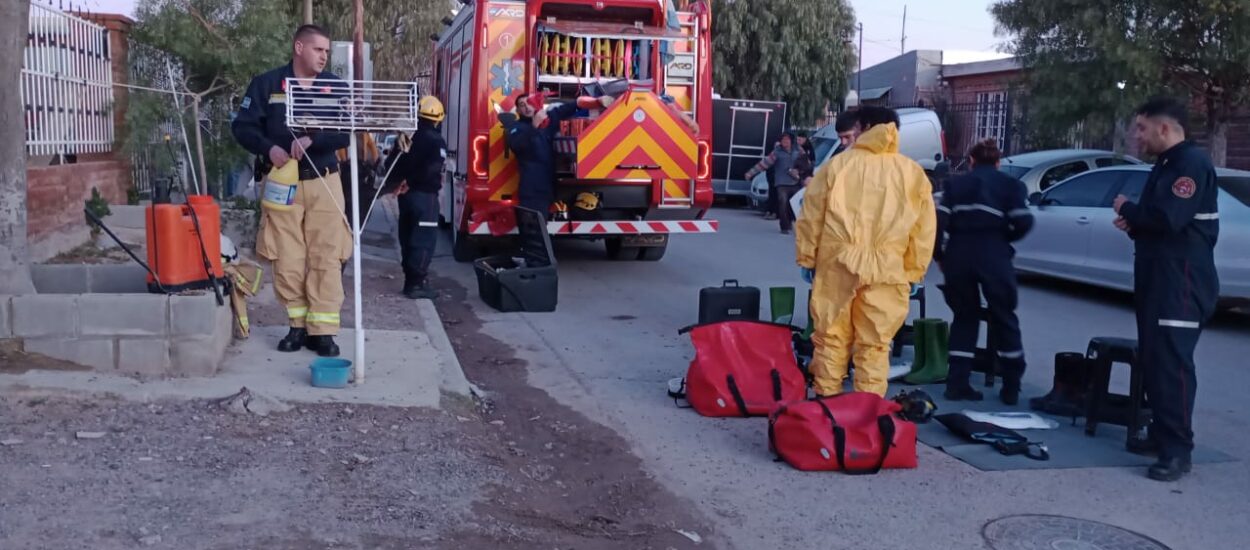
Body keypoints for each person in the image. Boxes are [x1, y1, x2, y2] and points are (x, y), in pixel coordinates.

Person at [1112, 97, 1219, 482]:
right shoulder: (1167, 164)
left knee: (1172, 366)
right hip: (1159, 276)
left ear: (1165, 128)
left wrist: (1127, 209)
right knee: (1155, 362)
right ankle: (1161, 433)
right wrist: (1136, 225)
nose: (1137, 136)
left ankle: (1177, 451)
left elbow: (1169, 219)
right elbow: (1158, 224)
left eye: (1141, 128)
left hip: (1181, 281)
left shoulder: (1190, 164)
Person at [795, 106, 936, 397]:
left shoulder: (837, 167)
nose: (849, 138)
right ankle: (868, 414)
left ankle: (827, 408)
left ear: (867, 126)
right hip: (888, 268)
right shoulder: (912, 173)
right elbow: (923, 231)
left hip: (839, 263)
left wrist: (808, 257)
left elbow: (811, 216)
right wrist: (913, 271)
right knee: (875, 345)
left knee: (832, 337)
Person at [232, 24, 351, 357]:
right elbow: (242, 126)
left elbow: (346, 131)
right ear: (299, 47)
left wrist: (316, 139)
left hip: (324, 181)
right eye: (318, 50)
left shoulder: (334, 86)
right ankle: (297, 326)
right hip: (282, 182)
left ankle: (323, 332)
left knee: (327, 255)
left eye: (327, 51)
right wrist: (269, 148)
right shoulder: (267, 84)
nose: (324, 56)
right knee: (287, 256)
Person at [934, 138, 1034, 404]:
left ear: (971, 161)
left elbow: (938, 222)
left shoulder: (955, 185)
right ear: (998, 163)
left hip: (958, 254)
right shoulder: (1011, 186)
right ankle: (1011, 387)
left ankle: (957, 384)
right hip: (994, 255)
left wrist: (940, 256)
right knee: (1004, 317)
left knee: (965, 317)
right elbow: (1024, 221)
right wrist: (1004, 238)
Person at [499, 91, 613, 214]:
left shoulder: (548, 120)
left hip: (550, 188)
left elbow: (571, 106)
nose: (527, 107)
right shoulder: (515, 128)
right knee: (534, 229)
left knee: (544, 227)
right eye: (522, 105)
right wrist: (534, 125)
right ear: (518, 111)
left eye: (529, 102)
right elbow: (518, 145)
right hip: (531, 192)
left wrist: (598, 101)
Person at [383, 96, 448, 300]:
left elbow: (391, 164)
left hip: (406, 197)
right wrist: (411, 181)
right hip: (425, 196)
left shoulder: (408, 138)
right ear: (438, 118)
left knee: (408, 237)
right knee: (423, 240)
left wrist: (399, 183)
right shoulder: (436, 141)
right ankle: (417, 284)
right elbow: (433, 169)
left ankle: (410, 280)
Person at [745, 132, 809, 233]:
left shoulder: (798, 150)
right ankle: (784, 226)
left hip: (795, 182)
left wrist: (800, 171)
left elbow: (806, 164)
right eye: (783, 140)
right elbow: (764, 163)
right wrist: (750, 173)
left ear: (791, 140)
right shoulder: (777, 152)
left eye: (787, 140)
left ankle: (792, 222)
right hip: (781, 183)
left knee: (794, 205)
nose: (785, 142)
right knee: (782, 203)